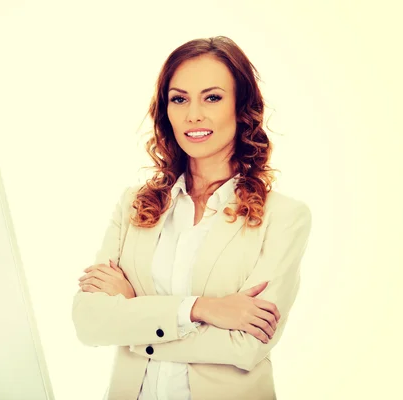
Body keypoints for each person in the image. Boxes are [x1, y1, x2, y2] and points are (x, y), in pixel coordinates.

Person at [71, 35, 312, 400]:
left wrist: (133, 317)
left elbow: (245, 346)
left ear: (241, 107)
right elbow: (89, 324)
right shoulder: (134, 205)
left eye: (212, 97)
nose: (193, 114)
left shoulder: (284, 217)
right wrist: (203, 309)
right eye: (179, 99)